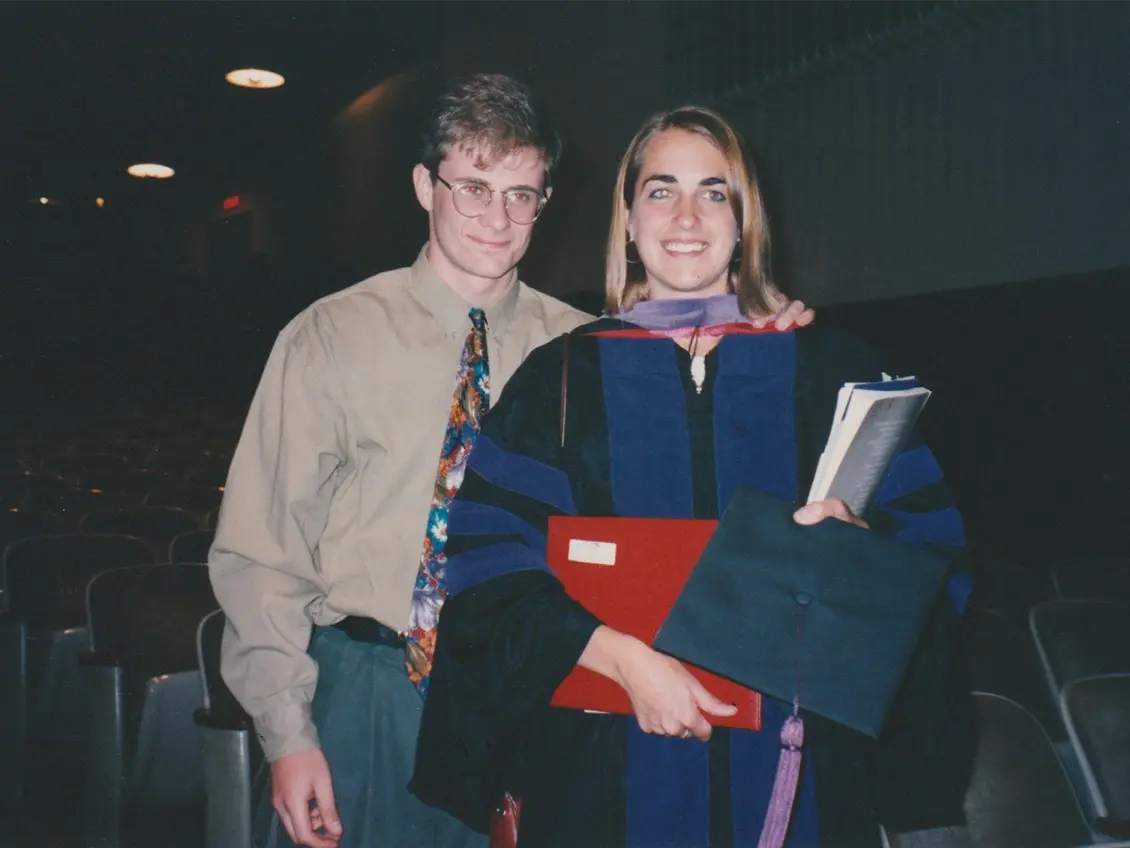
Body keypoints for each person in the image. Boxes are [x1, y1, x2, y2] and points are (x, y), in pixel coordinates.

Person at [209, 76, 814, 848]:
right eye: (474, 188)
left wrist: (762, 322)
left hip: (532, 693)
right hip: (373, 690)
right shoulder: (329, 337)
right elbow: (261, 554)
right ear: (425, 185)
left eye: (522, 195)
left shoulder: (587, 353)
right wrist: (288, 735)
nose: (498, 218)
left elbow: (695, 418)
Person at [411, 105, 975, 847]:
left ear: (744, 220)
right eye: (660, 190)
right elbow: (485, 562)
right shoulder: (563, 379)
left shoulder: (830, 370)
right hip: (603, 761)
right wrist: (622, 660)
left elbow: (936, 559)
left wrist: (861, 552)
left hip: (795, 769)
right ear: (629, 218)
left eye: (715, 192)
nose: (686, 215)